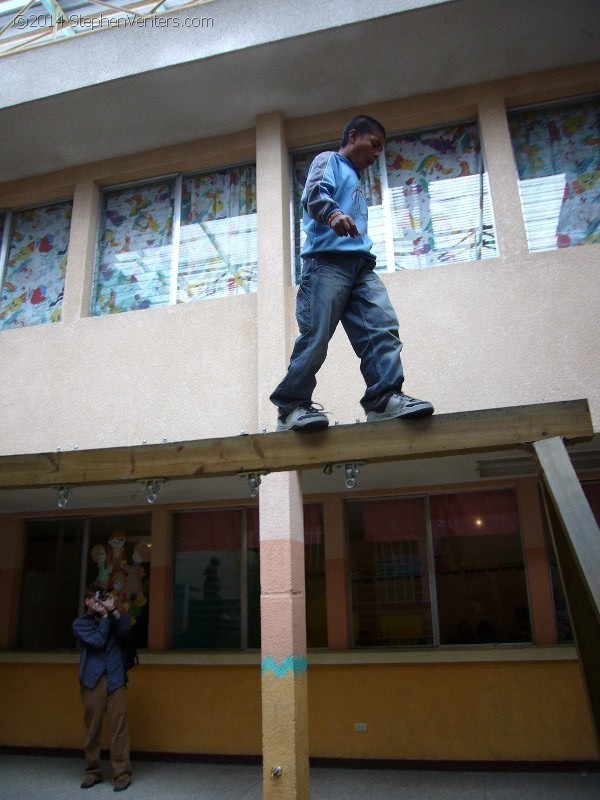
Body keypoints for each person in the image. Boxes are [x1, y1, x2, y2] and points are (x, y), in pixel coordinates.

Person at [271, 114, 434, 431]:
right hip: (326, 264)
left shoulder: (357, 181)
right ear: (353, 136)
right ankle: (291, 407)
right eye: (374, 145)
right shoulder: (329, 160)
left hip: (361, 266)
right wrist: (332, 214)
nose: (376, 155)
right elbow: (314, 193)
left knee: (382, 327)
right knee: (316, 336)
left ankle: (383, 399)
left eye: (380, 150)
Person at [72, 586, 132, 792]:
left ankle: (122, 773)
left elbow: (126, 631)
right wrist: (104, 618)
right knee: (93, 728)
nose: (97, 601)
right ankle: (93, 771)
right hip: (92, 681)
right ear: (87, 602)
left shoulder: (113, 619)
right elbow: (96, 641)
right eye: (93, 599)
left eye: (101, 598)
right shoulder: (80, 624)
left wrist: (113, 610)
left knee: (119, 729)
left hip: (115, 678)